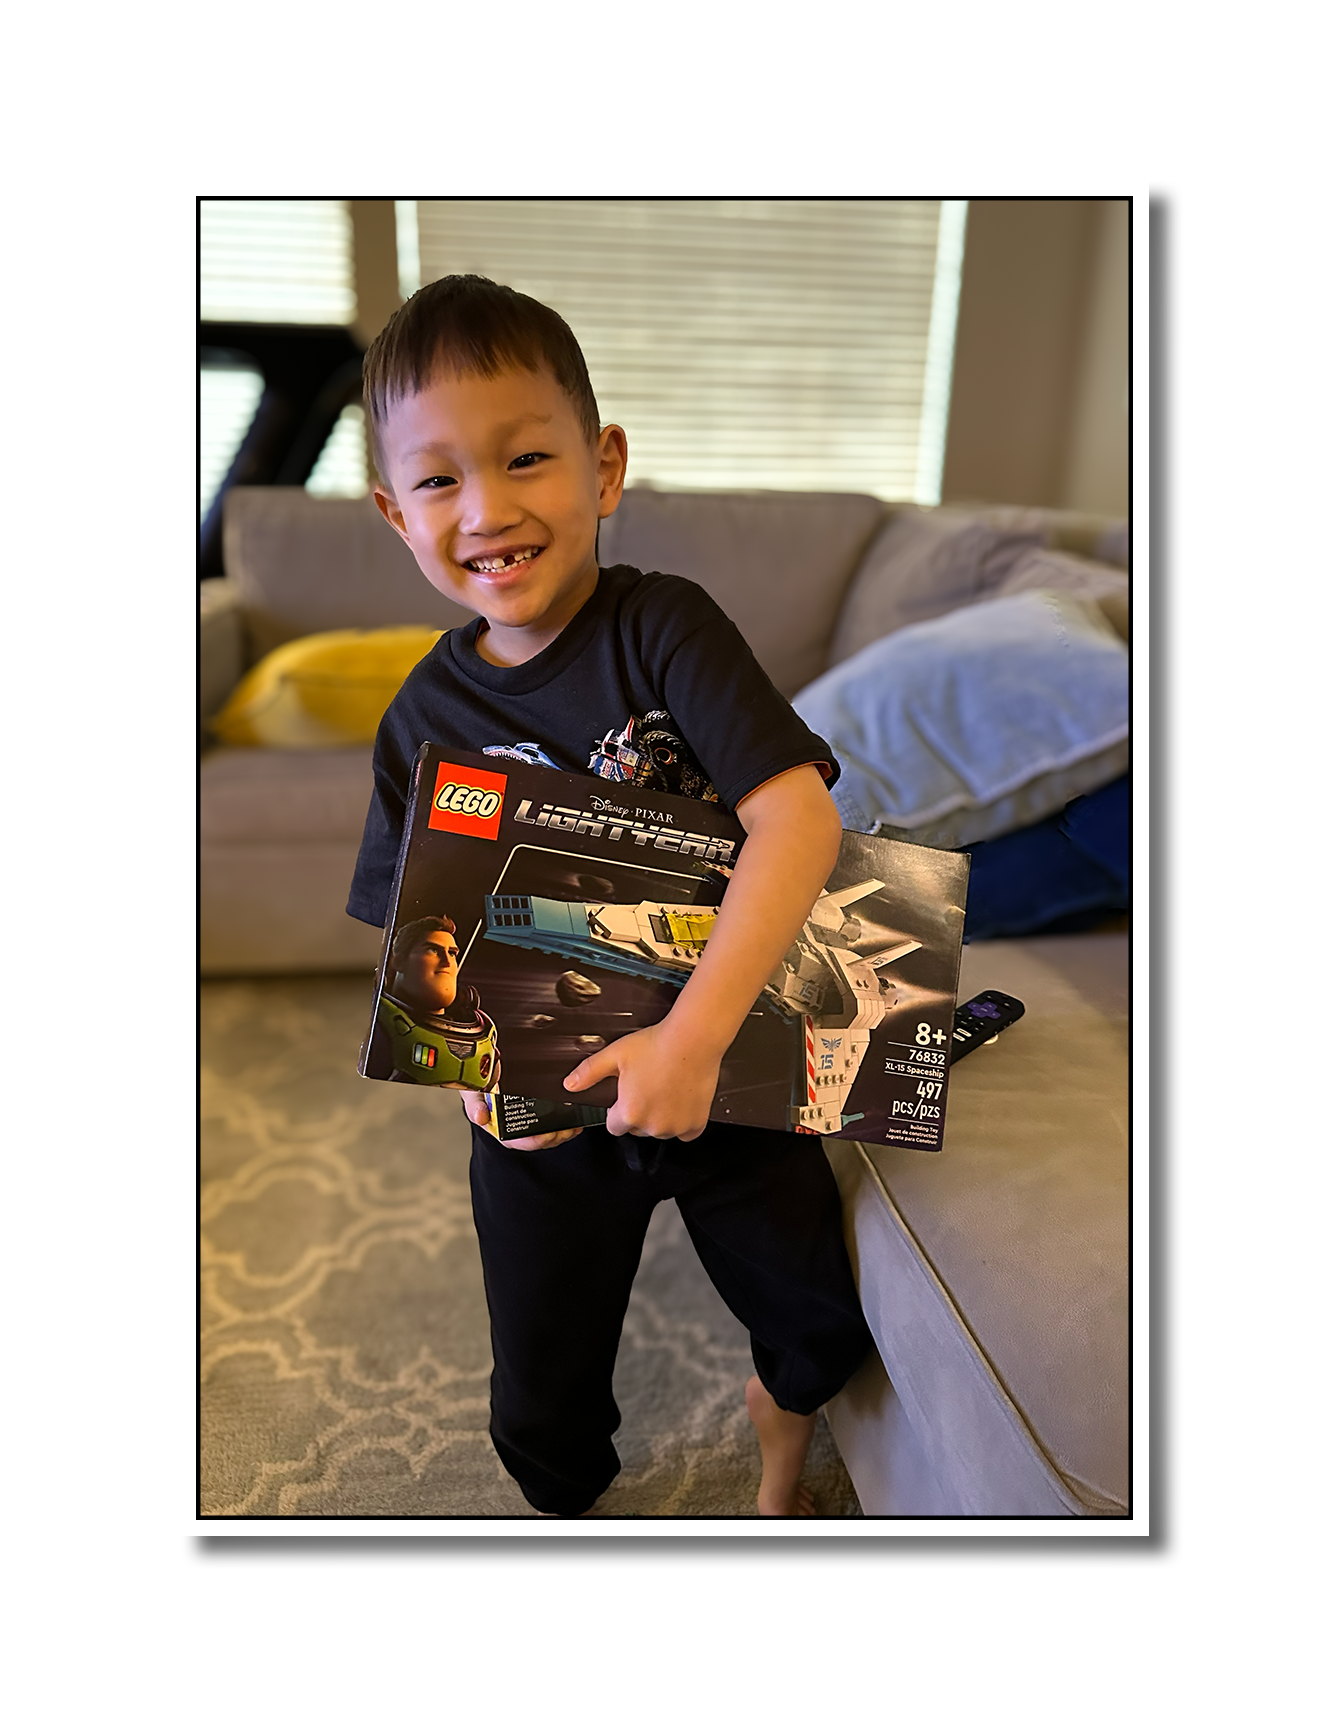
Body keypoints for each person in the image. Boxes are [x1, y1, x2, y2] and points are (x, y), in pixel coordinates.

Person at [347, 275, 874, 1517]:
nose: (488, 508)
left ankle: (780, 1453)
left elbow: (798, 817)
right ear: (392, 513)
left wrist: (692, 1040)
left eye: (527, 457)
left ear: (603, 466)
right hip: (551, 1112)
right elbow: (421, 944)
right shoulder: (421, 720)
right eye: (438, 480)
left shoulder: (666, 630)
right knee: (541, 1400)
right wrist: (477, 1079)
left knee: (813, 1326)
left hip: (733, 1065)